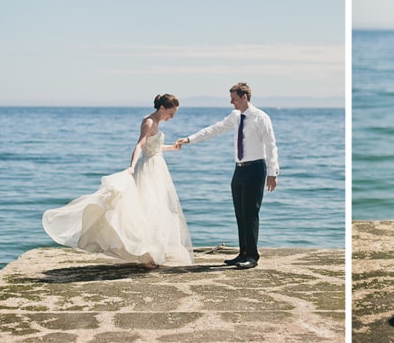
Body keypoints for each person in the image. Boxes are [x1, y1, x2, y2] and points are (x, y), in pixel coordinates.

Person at [43, 94, 194, 268]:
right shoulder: (149, 122)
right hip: (149, 169)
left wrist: (172, 148)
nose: (172, 117)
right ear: (162, 108)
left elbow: (155, 148)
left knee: (157, 209)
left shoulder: (157, 122)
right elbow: (140, 145)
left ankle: (150, 252)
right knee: (147, 208)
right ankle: (145, 256)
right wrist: (131, 167)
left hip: (158, 167)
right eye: (171, 113)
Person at [176, 82, 279, 270]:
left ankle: (252, 256)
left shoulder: (260, 117)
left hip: (256, 168)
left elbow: (271, 145)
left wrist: (273, 172)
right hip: (239, 169)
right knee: (240, 213)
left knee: (250, 213)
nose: (232, 103)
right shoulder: (236, 116)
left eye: (234, 99)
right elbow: (214, 129)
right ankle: (243, 253)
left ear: (244, 97)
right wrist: (189, 139)